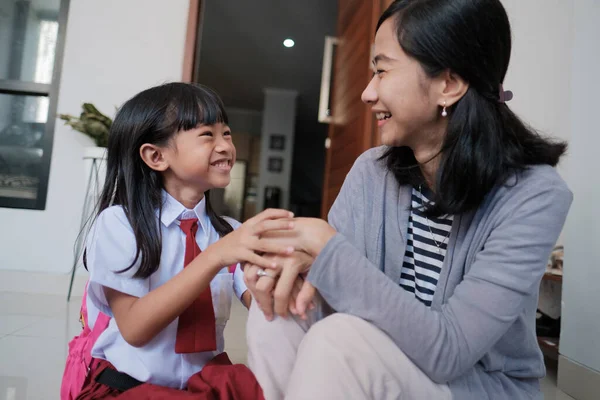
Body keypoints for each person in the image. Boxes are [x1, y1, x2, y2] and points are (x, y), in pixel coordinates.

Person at [243, 1, 573, 399]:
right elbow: (342, 291)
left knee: (340, 341)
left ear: (448, 83)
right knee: (276, 318)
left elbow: (450, 351)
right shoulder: (371, 171)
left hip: (475, 386)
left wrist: (327, 248)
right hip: (387, 360)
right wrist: (297, 275)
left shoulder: (535, 195)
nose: (367, 92)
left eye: (382, 70)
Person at [75, 82, 294, 399]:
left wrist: (278, 278)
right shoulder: (120, 224)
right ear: (156, 156)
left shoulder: (230, 232)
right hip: (129, 388)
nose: (224, 146)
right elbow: (135, 328)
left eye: (227, 133)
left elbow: (264, 305)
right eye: (207, 135)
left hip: (202, 387)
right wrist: (215, 257)